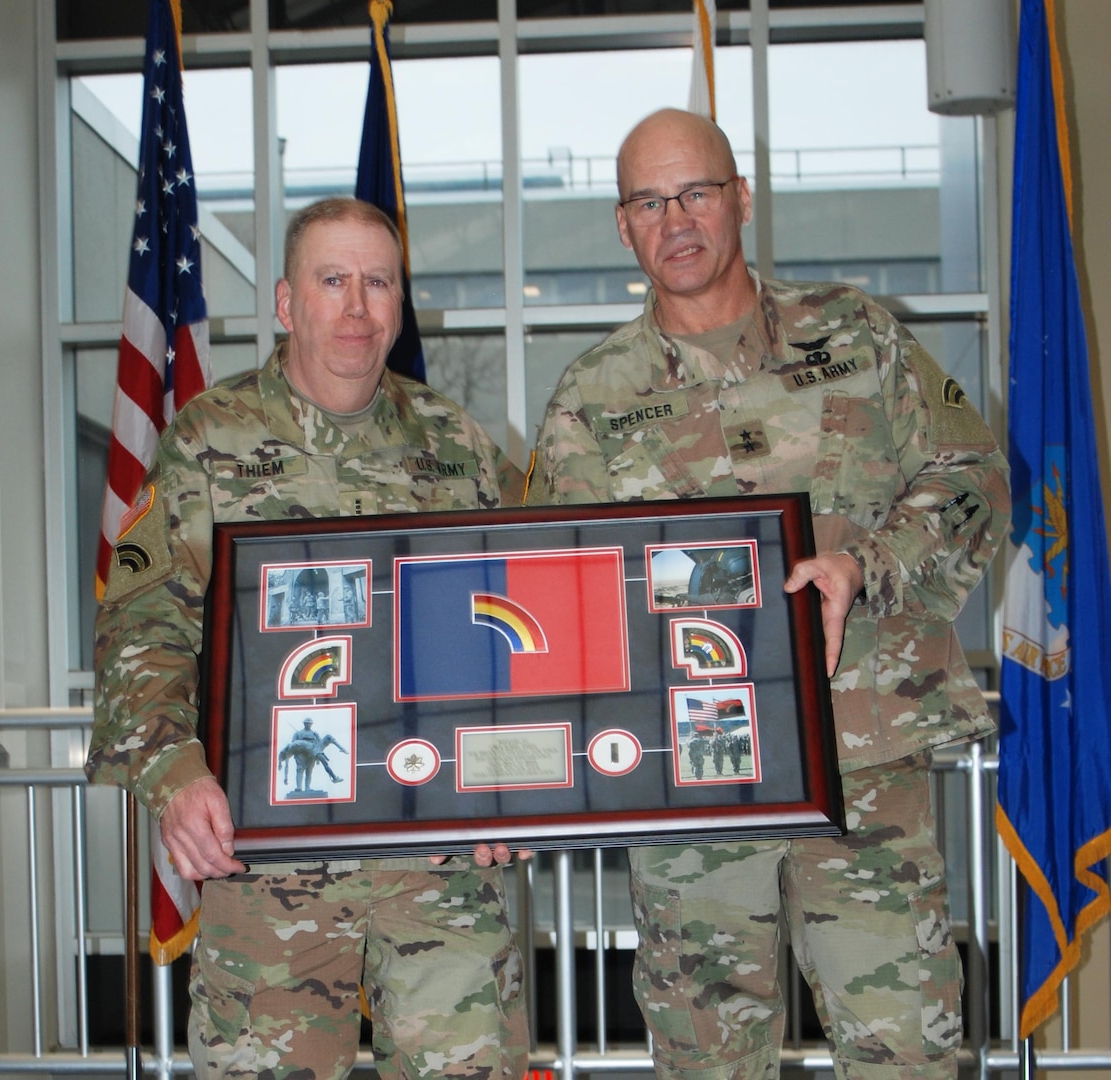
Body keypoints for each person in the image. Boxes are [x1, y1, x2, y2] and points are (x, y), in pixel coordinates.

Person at [527, 108, 1010, 1080]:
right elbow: (559, 593)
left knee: (904, 1049)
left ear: (741, 198)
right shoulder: (591, 395)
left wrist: (865, 565)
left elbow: (972, 476)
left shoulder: (857, 336)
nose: (677, 220)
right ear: (622, 226)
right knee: (707, 1063)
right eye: (648, 202)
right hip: (688, 789)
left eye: (697, 191)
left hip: (862, 759)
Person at [87, 197, 530, 1080]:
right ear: (287, 303)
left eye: (377, 283)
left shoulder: (459, 450)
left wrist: (516, 781)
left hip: (441, 863)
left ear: (400, 304)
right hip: (270, 863)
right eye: (333, 281)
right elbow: (143, 624)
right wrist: (173, 774)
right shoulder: (211, 442)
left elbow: (521, 635)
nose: (357, 308)